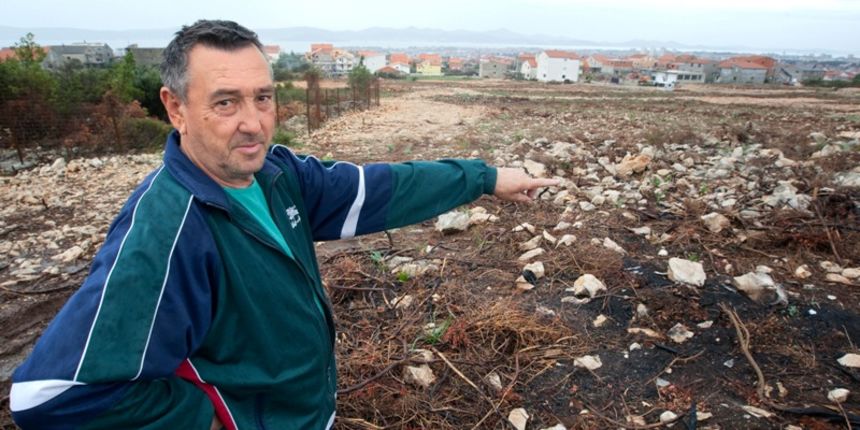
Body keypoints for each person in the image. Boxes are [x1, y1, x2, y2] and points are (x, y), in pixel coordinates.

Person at [9, 20, 557, 429]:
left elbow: (380, 186)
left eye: (263, 97)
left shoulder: (276, 175)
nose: (253, 123)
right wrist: (223, 418)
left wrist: (483, 177)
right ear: (175, 108)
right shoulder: (169, 230)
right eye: (225, 102)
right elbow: (50, 395)